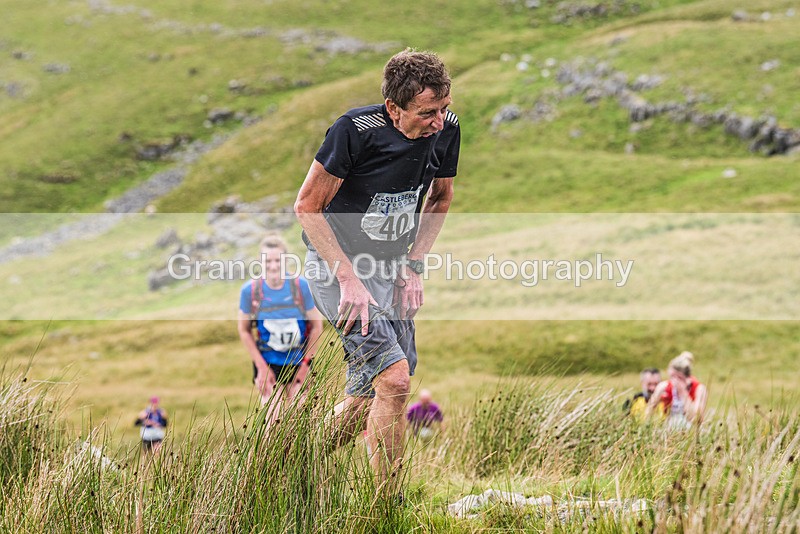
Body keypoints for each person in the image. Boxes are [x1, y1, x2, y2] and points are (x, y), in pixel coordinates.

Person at [294, 49, 460, 495]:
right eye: (428, 112)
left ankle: (289, 461)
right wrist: (348, 279)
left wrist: (414, 264)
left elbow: (440, 199)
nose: (439, 121)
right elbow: (307, 206)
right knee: (395, 379)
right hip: (339, 272)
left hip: (392, 272)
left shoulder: (448, 128)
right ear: (394, 108)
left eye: (443, 108)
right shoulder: (354, 131)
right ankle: (387, 503)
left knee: (370, 391)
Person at [237, 234, 325, 421]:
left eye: (278, 260)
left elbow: (317, 327)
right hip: (268, 363)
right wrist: (261, 367)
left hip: (299, 362)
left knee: (300, 426)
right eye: (268, 261)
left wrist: (306, 364)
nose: (274, 266)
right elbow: (244, 330)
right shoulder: (250, 291)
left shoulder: (301, 287)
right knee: (272, 427)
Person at [646, 351, 707, 428]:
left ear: (687, 376)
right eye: (672, 377)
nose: (674, 381)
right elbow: (649, 409)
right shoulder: (664, 387)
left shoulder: (699, 389)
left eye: (678, 377)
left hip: (692, 430)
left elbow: (697, 420)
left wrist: (683, 393)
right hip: (669, 429)